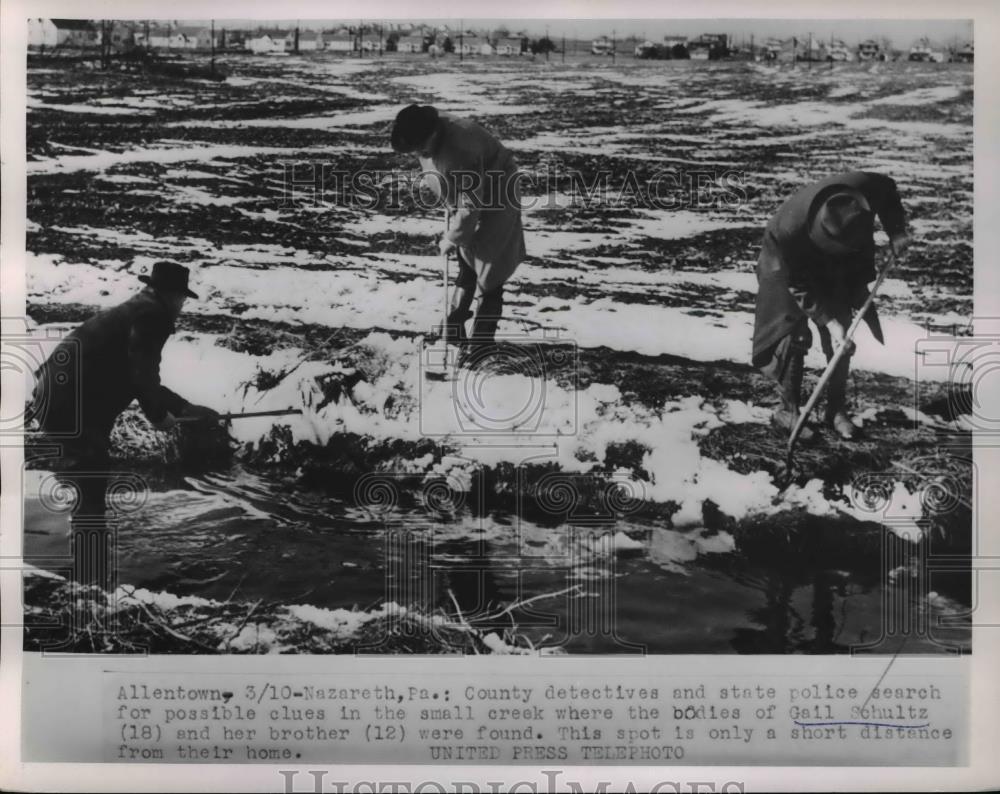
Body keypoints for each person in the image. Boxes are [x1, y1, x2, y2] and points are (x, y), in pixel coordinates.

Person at [29, 262, 219, 638]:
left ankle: (86, 572)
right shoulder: (152, 316)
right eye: (182, 298)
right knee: (92, 473)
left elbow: (137, 375)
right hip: (72, 402)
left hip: (60, 393)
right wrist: (157, 416)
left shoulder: (137, 310)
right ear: (173, 295)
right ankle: (88, 590)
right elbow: (142, 375)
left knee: (90, 476)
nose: (182, 305)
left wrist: (181, 409)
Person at [752, 171, 909, 441]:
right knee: (793, 331)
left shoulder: (864, 190)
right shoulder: (790, 231)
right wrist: (828, 321)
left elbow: (888, 190)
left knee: (843, 335)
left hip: (839, 260)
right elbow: (797, 284)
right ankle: (787, 411)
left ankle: (835, 412)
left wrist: (896, 232)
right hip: (785, 264)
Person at [390, 104, 526, 349]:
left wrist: (453, 237)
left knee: (488, 267)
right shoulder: (426, 130)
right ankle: (452, 335)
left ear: (433, 133)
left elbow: (470, 204)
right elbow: (451, 182)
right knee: (466, 263)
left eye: (421, 147)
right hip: (471, 188)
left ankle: (480, 346)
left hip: (499, 189)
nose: (419, 153)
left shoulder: (460, 149)